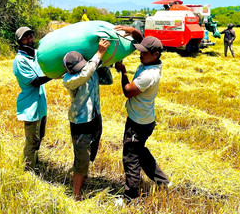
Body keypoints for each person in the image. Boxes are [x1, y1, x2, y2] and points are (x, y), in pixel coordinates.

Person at [113, 25, 170, 201]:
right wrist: (131, 29)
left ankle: (130, 197)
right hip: (144, 120)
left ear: (156, 54)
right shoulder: (150, 61)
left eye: (144, 52)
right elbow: (139, 39)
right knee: (140, 152)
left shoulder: (149, 75)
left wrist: (123, 72)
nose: (140, 54)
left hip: (138, 123)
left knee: (131, 157)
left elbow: (128, 91)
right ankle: (163, 181)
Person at [62, 39, 110, 201]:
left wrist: (107, 63)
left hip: (95, 118)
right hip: (80, 123)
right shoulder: (69, 80)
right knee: (81, 159)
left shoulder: (90, 70)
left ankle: (83, 177)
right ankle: (76, 195)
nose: (79, 70)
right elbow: (84, 75)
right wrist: (99, 54)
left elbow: (107, 81)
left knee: (91, 153)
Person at [13, 26, 53, 171]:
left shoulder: (36, 55)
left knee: (40, 136)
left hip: (41, 104)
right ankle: (28, 170)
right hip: (30, 106)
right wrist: (54, 74)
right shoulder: (19, 61)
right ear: (19, 41)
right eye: (25, 37)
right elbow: (35, 81)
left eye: (31, 36)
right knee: (32, 141)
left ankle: (35, 162)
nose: (30, 40)